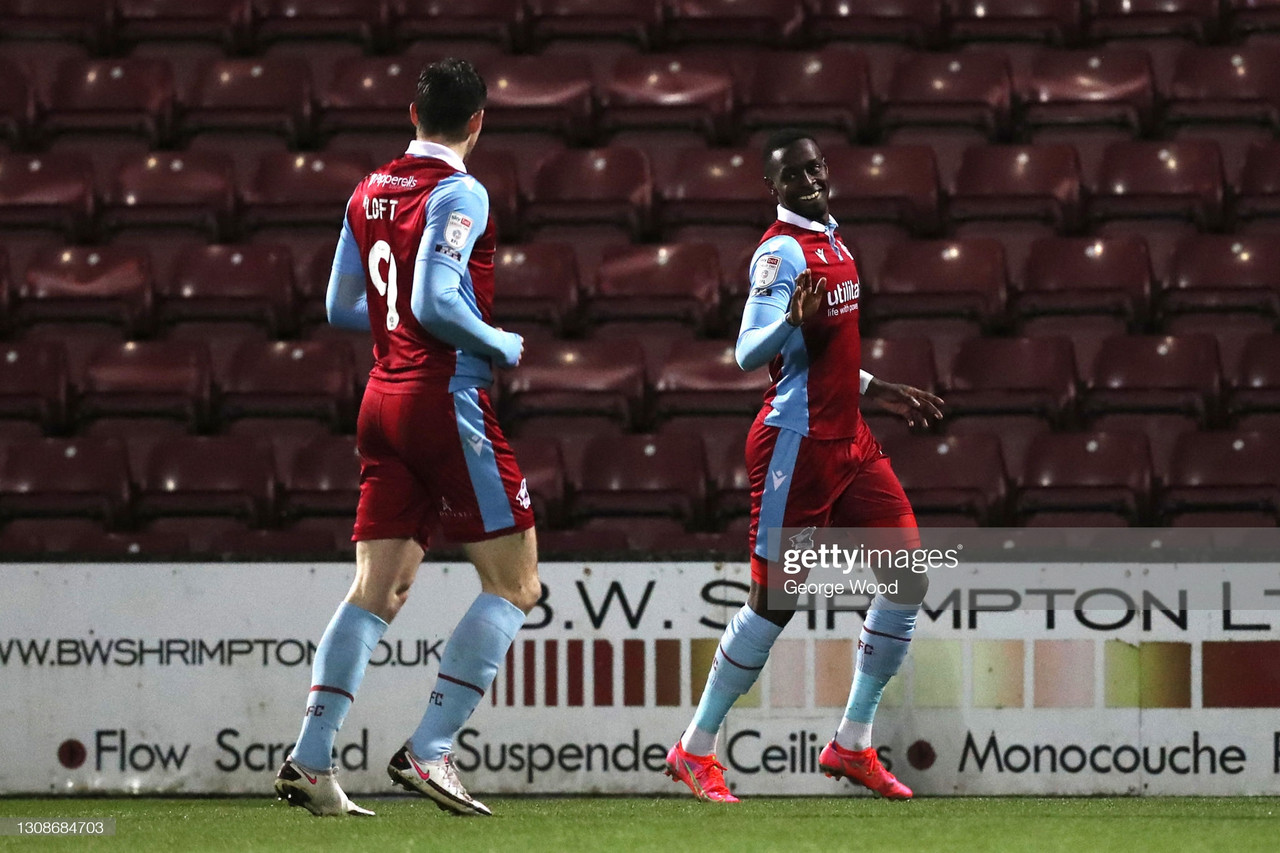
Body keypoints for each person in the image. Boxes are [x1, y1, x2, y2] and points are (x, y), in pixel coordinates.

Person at [273, 58, 539, 818]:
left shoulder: (369, 188)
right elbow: (432, 296)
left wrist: (400, 331)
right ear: (478, 122)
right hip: (443, 399)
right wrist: (496, 338)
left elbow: (338, 305)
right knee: (516, 581)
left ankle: (311, 760)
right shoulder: (463, 190)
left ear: (410, 114)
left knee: (378, 588)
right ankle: (429, 751)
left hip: (380, 397)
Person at [664, 129, 945, 803]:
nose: (811, 181)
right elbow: (745, 350)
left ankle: (852, 742)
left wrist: (879, 388)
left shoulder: (835, 242)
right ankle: (694, 748)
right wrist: (789, 319)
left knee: (906, 577)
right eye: (795, 175)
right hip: (796, 443)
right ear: (774, 186)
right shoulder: (781, 251)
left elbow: (829, 350)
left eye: (816, 169)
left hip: (850, 439)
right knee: (774, 601)